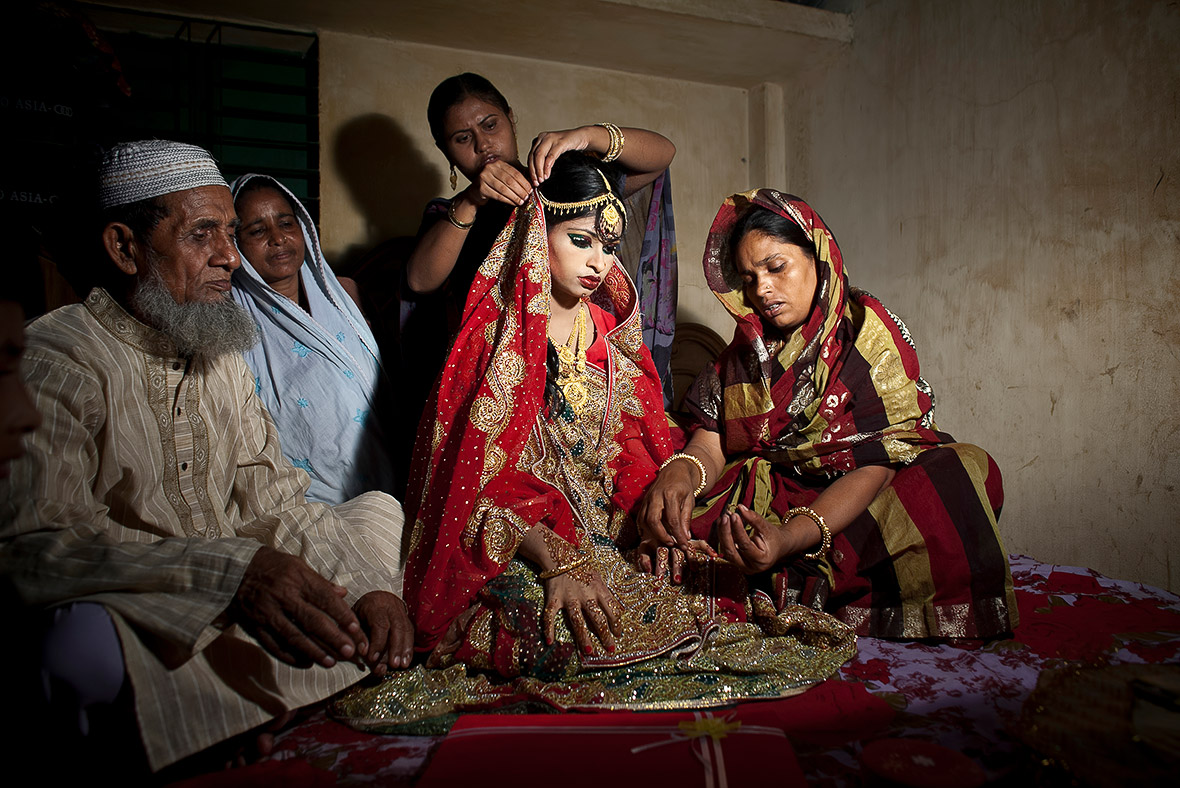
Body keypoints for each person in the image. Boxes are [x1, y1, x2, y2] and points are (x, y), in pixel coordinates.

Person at [337, 156, 853, 728]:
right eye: (580, 240)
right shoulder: (494, 340)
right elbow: (472, 492)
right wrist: (557, 561)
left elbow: (634, 455)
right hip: (520, 548)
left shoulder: (612, 336)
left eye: (608, 244)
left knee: (706, 598)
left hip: (605, 542)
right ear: (538, 231)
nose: (597, 262)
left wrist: (650, 529)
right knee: (562, 633)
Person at [0, 140, 412, 774]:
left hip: (248, 592)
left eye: (228, 233)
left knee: (378, 512)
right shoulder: (56, 357)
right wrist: (231, 574)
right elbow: (31, 548)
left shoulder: (219, 354)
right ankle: (265, 698)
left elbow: (272, 500)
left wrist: (371, 588)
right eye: (203, 234)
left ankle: (233, 705)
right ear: (124, 247)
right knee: (76, 649)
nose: (230, 256)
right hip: (154, 604)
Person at [638, 189, 1018, 640]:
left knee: (967, 470)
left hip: (848, 504)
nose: (761, 289)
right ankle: (771, 573)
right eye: (748, 277)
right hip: (766, 493)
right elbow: (713, 437)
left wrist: (791, 536)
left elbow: (878, 460)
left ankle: (792, 571)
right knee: (652, 466)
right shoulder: (744, 354)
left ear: (818, 259)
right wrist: (684, 473)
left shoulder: (867, 337)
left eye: (776, 267)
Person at [397, 74, 678, 460]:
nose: (482, 144)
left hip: (584, 360)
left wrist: (588, 136)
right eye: (462, 138)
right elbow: (419, 280)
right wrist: (473, 199)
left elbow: (662, 155)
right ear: (444, 150)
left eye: (490, 125)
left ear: (512, 118)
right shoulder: (452, 215)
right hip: (499, 382)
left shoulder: (557, 186)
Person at [231, 173, 397, 503]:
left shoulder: (342, 297)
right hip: (315, 502)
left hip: (391, 476)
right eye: (257, 231)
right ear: (235, 244)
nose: (277, 238)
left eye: (286, 224)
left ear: (303, 229)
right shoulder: (234, 327)